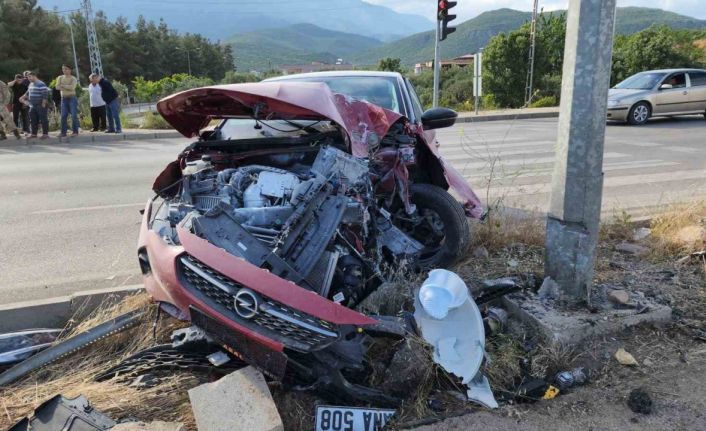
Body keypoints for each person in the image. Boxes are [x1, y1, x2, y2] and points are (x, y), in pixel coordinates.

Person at [20, 72, 50, 139]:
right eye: (28, 77)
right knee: (33, 120)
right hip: (32, 105)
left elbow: (45, 95)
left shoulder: (41, 84)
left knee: (43, 119)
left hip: (40, 105)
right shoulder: (31, 84)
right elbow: (28, 92)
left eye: (30, 77)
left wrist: (43, 103)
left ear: (34, 76)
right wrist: (22, 97)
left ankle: (45, 134)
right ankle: (34, 134)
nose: (29, 79)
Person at [56, 64, 79, 137]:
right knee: (63, 116)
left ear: (70, 70)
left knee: (74, 115)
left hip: (72, 98)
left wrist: (62, 86)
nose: (64, 70)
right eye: (63, 69)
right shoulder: (60, 77)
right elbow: (57, 87)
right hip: (64, 99)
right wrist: (66, 87)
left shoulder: (73, 78)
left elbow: (72, 88)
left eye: (66, 69)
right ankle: (63, 132)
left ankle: (75, 132)